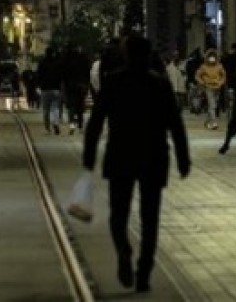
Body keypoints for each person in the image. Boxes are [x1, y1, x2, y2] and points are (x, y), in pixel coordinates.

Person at [83, 35, 190, 294]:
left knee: (118, 215)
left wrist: (89, 153)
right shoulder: (160, 84)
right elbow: (175, 123)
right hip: (153, 156)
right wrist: (183, 158)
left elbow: (97, 120)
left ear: (126, 54)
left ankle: (123, 249)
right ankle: (143, 273)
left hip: (121, 154)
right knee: (150, 219)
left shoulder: (113, 82)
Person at [62, 45, 92, 134]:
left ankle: (72, 124)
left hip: (70, 86)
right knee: (80, 106)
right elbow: (88, 72)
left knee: (71, 105)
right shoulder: (84, 59)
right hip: (82, 85)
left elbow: (64, 74)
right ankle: (80, 125)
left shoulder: (68, 60)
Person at [195, 50, 227, 130]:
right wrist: (202, 82)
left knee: (213, 106)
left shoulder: (220, 66)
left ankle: (207, 122)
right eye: (210, 57)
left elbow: (224, 76)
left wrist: (221, 82)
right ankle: (214, 123)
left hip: (217, 88)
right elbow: (197, 75)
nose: (212, 58)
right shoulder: (204, 67)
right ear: (207, 57)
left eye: (213, 57)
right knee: (212, 105)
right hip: (208, 87)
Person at [37, 46, 66, 134]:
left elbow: (38, 75)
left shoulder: (41, 63)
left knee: (46, 109)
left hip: (45, 89)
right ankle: (56, 123)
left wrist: (39, 86)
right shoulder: (57, 63)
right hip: (56, 89)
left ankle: (47, 128)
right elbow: (61, 76)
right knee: (55, 108)